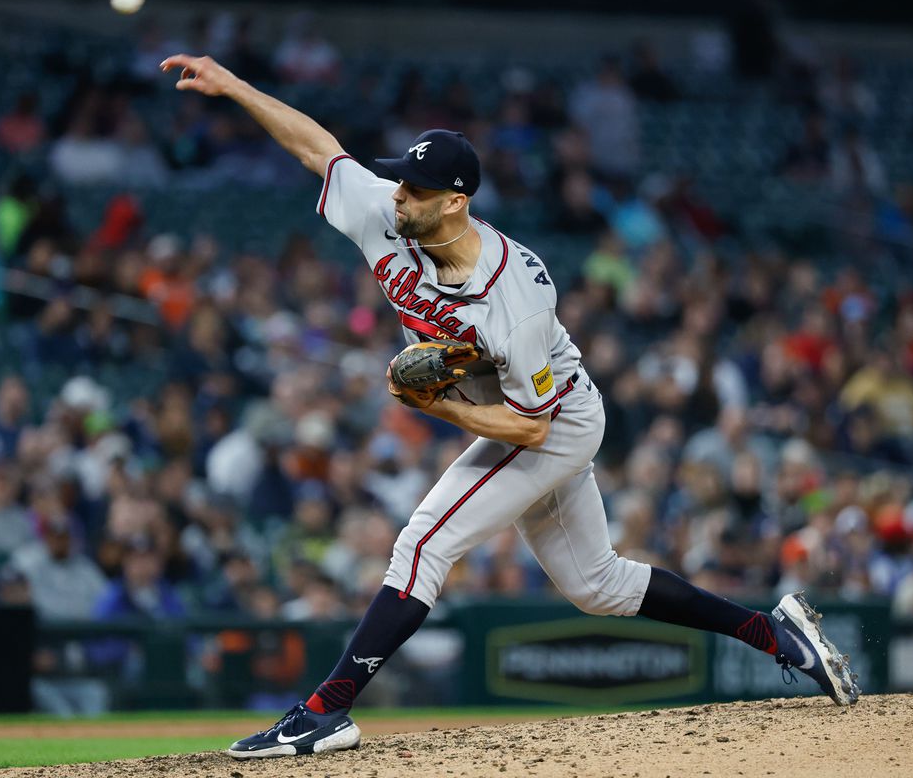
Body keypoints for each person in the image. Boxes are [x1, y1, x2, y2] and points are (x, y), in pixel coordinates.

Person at [160, 52, 860, 760]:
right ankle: (777, 634)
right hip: (523, 413)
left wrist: (434, 406)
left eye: (415, 187)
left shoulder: (514, 300)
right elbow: (320, 150)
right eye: (400, 179)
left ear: (454, 201)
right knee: (600, 586)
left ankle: (324, 712)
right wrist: (235, 87)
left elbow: (532, 425)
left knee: (423, 544)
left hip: (553, 421)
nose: (397, 193)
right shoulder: (391, 215)